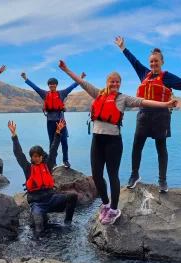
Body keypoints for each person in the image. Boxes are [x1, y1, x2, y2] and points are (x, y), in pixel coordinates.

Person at [59, 60, 177, 224]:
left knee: (112, 175)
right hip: (97, 140)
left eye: (117, 82)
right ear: (107, 83)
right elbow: (81, 82)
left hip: (113, 142)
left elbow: (143, 102)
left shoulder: (123, 99)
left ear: (120, 84)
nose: (114, 84)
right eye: (111, 81)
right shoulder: (98, 94)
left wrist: (165, 104)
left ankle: (114, 209)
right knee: (97, 175)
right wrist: (66, 69)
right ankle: (106, 205)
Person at [115, 36, 181, 192]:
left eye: (156, 61)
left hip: (161, 116)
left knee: (161, 147)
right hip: (143, 116)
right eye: (151, 61)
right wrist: (123, 47)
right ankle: (134, 175)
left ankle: (162, 181)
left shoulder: (167, 77)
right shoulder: (144, 73)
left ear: (162, 62)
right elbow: (134, 62)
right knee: (137, 146)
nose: (153, 64)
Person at [8, 119, 78, 236]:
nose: (38, 159)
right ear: (31, 157)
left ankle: (68, 223)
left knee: (73, 197)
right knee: (39, 226)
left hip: (51, 200)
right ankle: (38, 249)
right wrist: (14, 136)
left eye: (40, 156)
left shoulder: (48, 165)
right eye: (35, 157)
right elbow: (18, 154)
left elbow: (54, 149)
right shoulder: (28, 168)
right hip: (37, 204)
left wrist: (57, 132)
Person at [20, 72, 86, 169]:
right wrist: (25, 78)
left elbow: (72, 87)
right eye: (50, 84)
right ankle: (53, 162)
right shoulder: (44, 94)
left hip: (61, 122)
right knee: (52, 142)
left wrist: (80, 78)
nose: (52, 85)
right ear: (48, 85)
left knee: (64, 142)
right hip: (50, 122)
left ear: (56, 85)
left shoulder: (62, 93)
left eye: (54, 84)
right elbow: (35, 87)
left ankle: (65, 160)